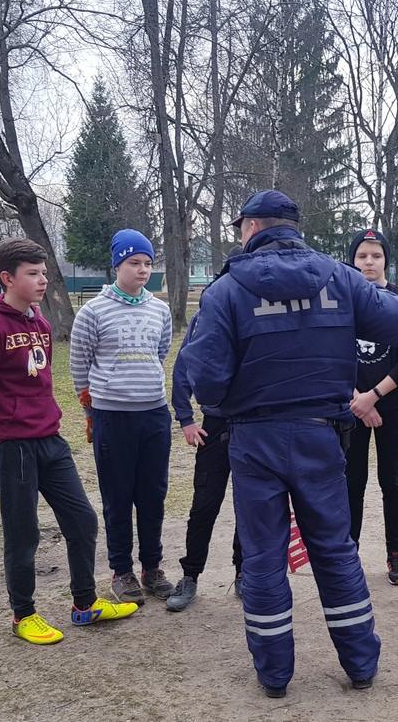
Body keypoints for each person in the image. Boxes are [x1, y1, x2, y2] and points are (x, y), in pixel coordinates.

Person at [180, 190, 398, 699]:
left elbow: (208, 384)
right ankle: (361, 665)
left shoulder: (224, 291)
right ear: (294, 227)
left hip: (254, 440)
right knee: (335, 550)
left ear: (250, 227)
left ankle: (274, 675)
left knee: (263, 558)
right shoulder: (340, 277)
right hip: (321, 434)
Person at [0, 238, 137, 645]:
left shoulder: (40, 324)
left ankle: (85, 604)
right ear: (7, 278)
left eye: (43, 272)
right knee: (23, 534)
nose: (42, 280)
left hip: (50, 441)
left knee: (82, 520)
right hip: (12, 446)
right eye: (32, 274)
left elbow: (38, 383)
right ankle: (23, 615)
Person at [70, 229, 175, 606]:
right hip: (112, 418)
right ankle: (121, 570)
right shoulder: (93, 312)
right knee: (117, 497)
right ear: (117, 265)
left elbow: (160, 352)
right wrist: (91, 410)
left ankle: (152, 567)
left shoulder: (160, 310)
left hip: (154, 416)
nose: (142, 270)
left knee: (153, 495)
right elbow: (79, 365)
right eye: (134, 263)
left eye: (148, 263)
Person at [165, 250, 246, 613]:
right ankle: (190, 576)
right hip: (215, 427)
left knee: (250, 506)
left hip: (255, 426)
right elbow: (185, 366)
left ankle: (245, 573)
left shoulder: (264, 312)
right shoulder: (207, 315)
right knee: (204, 506)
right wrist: (185, 418)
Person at [344, 228, 398, 585]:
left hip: (390, 406)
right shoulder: (342, 301)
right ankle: (348, 555)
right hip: (350, 408)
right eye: (362, 255)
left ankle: (395, 555)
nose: (369, 262)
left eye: (376, 255)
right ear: (352, 260)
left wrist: (373, 396)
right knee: (352, 482)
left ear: (386, 260)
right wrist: (357, 400)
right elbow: (331, 355)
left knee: (391, 481)